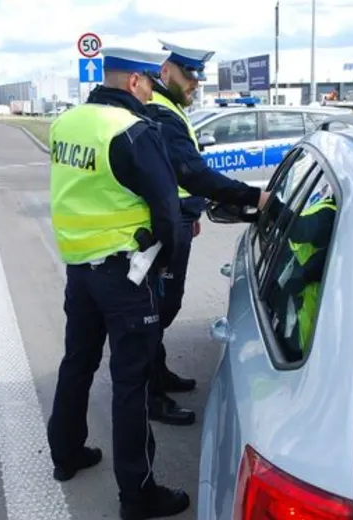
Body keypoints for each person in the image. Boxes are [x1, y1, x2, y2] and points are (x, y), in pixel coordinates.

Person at [46, 46, 191, 520]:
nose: (151, 93)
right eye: (149, 84)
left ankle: (66, 455)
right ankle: (139, 494)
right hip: (125, 274)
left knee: (78, 363)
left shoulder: (65, 123)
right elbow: (168, 208)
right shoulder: (132, 131)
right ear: (134, 82)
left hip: (79, 270)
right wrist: (165, 262)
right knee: (131, 383)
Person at [143, 40, 271, 426]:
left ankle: (158, 373)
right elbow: (191, 173)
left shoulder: (168, 109)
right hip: (165, 226)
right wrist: (251, 195)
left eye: (198, 76)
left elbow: (175, 176)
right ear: (165, 72)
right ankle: (149, 394)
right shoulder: (161, 113)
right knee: (158, 308)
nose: (195, 83)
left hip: (177, 217)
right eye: (188, 74)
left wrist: (191, 208)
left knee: (164, 303)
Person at [266, 180, 336, 361]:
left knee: (295, 359)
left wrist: (268, 203)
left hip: (307, 306)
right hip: (306, 298)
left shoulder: (329, 214)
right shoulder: (334, 207)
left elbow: (299, 230)